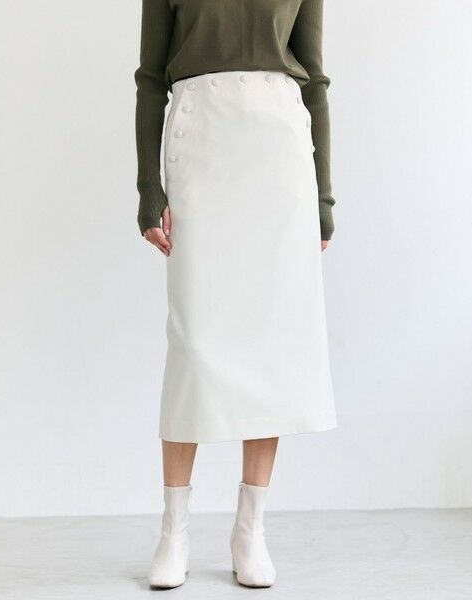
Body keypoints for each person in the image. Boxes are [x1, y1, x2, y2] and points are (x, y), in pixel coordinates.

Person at [134, 0, 337, 589]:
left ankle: (250, 529)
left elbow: (314, 80)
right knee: (193, 346)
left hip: (278, 157)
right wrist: (149, 188)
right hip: (200, 146)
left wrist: (323, 198)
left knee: (268, 344)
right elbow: (150, 80)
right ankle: (174, 530)